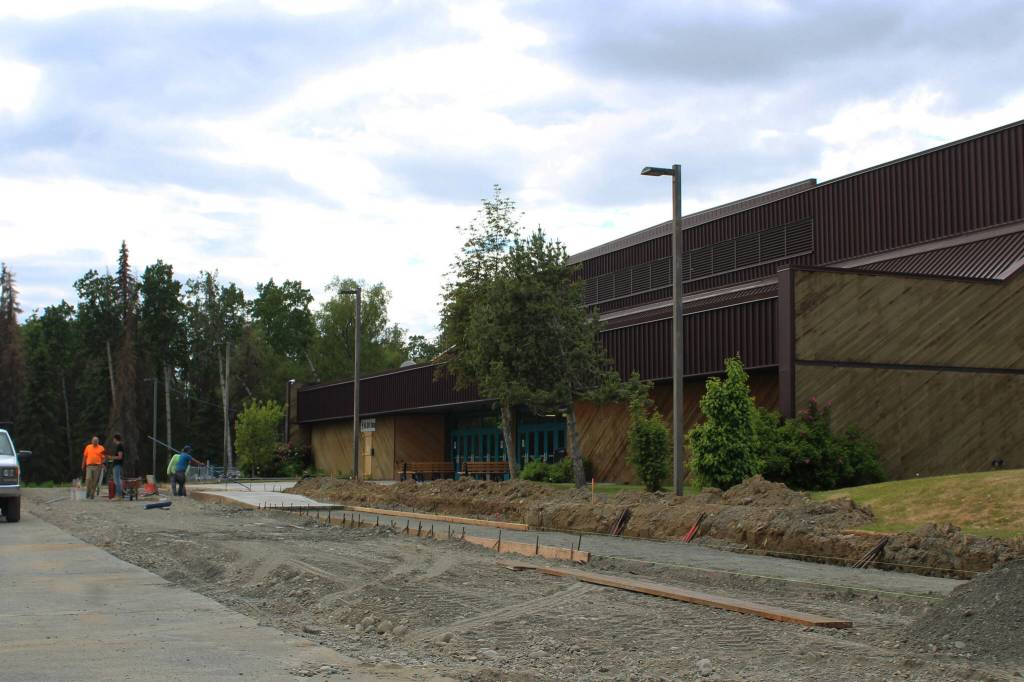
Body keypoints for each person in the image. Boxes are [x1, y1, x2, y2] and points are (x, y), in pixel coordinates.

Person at [110, 433, 125, 500]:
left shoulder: (119, 446)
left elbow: (120, 457)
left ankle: (118, 495)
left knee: (117, 480)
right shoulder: (119, 446)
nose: (113, 440)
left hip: (117, 465)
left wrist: (111, 457)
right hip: (116, 465)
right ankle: (119, 494)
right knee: (117, 480)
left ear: (115, 439)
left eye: (113, 439)